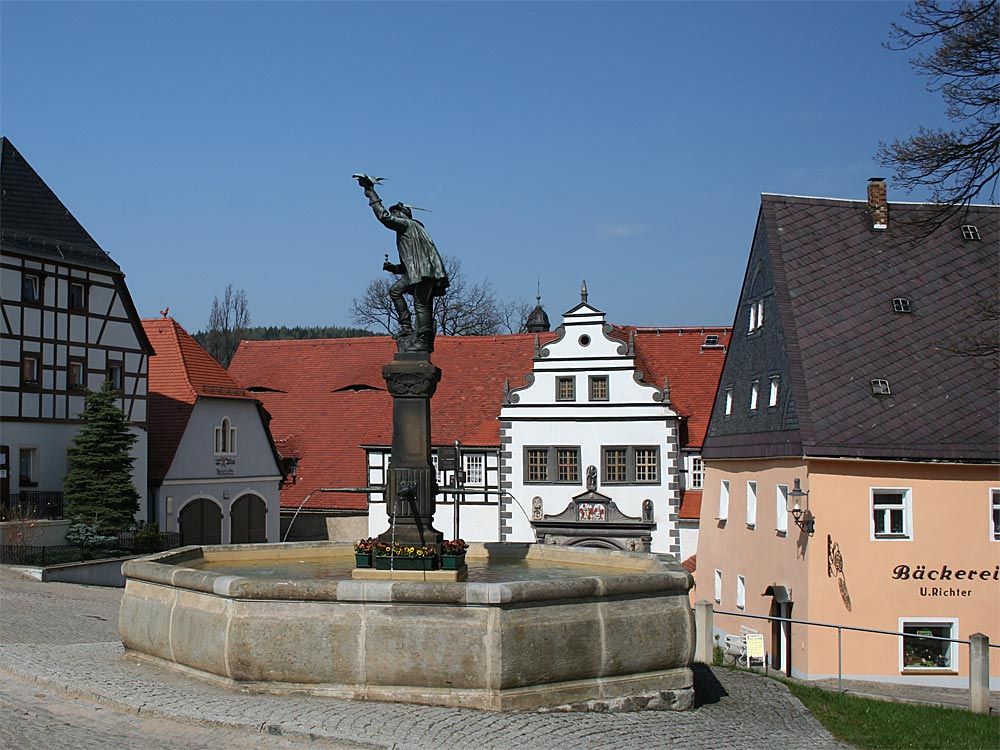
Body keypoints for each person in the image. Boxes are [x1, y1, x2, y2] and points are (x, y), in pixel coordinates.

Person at [356, 176, 449, 351]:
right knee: (422, 303)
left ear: (401, 214)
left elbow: (384, 217)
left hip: (422, 274)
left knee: (412, 300)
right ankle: (418, 335)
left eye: (395, 214)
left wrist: (370, 192)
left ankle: (417, 335)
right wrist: (394, 268)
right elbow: (412, 265)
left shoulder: (407, 225)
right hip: (425, 273)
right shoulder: (417, 231)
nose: (394, 216)